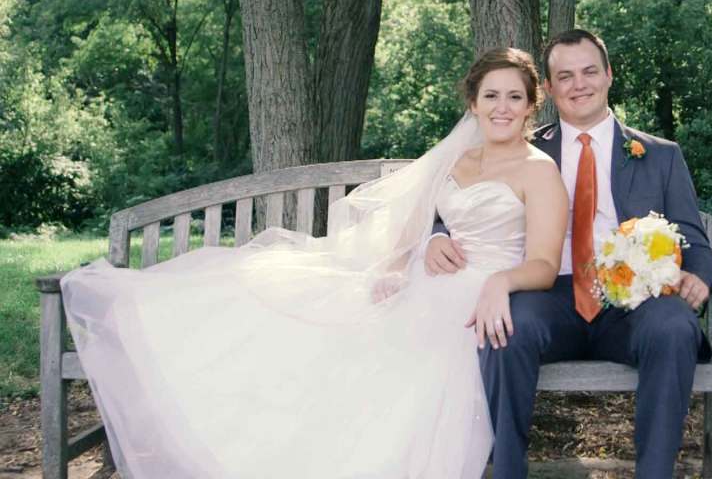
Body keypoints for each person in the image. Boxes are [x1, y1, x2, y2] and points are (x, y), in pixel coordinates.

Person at [59, 47, 567, 479]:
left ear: (530, 107)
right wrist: (411, 255)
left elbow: (543, 264)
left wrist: (500, 279)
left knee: (397, 371)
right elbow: (412, 229)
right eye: (492, 96)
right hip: (427, 278)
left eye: (514, 97)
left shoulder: (539, 171)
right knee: (313, 332)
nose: (502, 107)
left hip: (477, 296)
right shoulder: (456, 160)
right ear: (473, 103)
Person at [426, 29, 712, 478]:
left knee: (675, 326)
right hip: (549, 293)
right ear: (550, 88)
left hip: (632, 302)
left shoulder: (659, 155)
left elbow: (693, 238)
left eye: (589, 72)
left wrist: (697, 275)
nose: (578, 84)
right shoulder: (522, 147)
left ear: (608, 75)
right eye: (565, 76)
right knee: (504, 327)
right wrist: (437, 235)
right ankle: (506, 470)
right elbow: (462, 195)